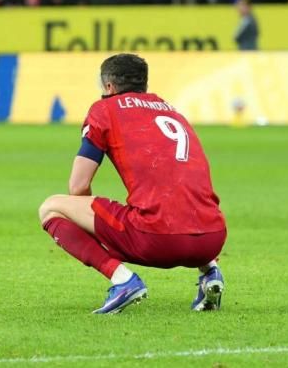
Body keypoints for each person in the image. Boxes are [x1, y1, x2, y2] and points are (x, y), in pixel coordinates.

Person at [39, 54, 227, 314]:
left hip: (158, 240)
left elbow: (78, 187)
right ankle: (211, 273)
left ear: (108, 86)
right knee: (182, 201)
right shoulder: (172, 110)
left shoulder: (104, 109)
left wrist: (95, 231)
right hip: (212, 238)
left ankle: (122, 280)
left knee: (51, 207)